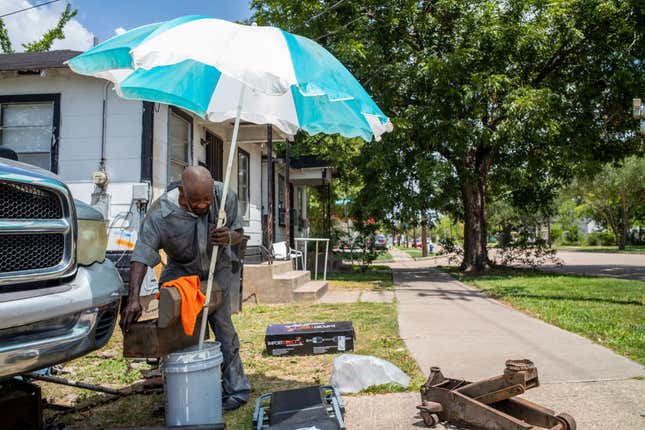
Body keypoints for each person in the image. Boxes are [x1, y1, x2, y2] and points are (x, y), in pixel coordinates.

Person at [120, 166, 251, 411]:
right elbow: (142, 253)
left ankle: (236, 390)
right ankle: (181, 393)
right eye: (196, 200)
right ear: (182, 192)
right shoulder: (161, 214)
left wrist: (229, 237)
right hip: (180, 270)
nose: (203, 205)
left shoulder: (224, 196)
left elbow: (239, 234)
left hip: (217, 267)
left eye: (206, 198)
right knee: (174, 331)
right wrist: (133, 298)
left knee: (223, 327)